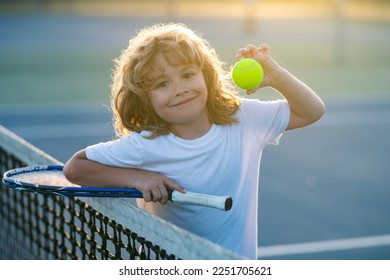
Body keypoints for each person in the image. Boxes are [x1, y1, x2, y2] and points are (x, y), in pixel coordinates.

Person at [64, 23, 325, 259]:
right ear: (146, 99)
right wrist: (137, 178)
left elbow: (311, 111)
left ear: (206, 76)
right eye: (162, 84)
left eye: (188, 75)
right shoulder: (148, 143)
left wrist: (277, 76)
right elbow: (75, 168)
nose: (179, 89)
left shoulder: (244, 118)